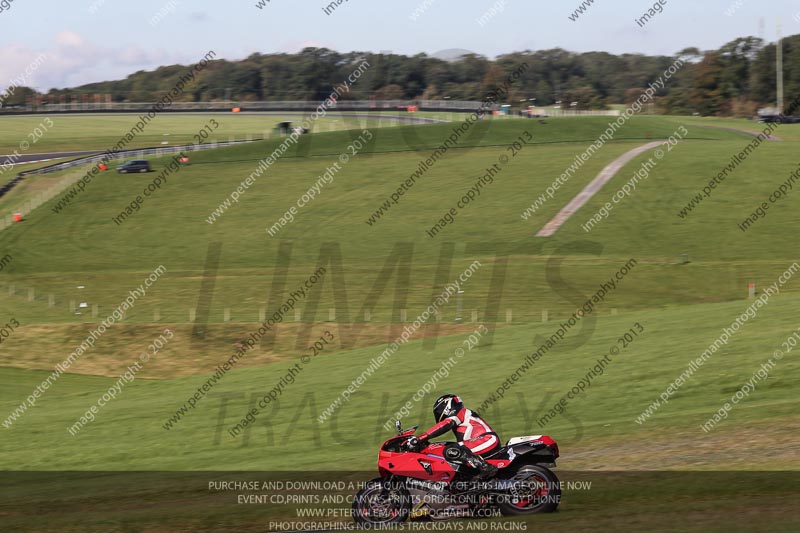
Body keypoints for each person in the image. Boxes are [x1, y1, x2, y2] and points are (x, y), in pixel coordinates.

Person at [406, 394, 500, 480]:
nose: (438, 415)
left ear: (447, 407)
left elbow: (447, 424)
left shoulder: (461, 412)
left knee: (451, 449)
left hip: (487, 439)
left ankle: (486, 468)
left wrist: (420, 438)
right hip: (481, 442)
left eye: (438, 412)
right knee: (449, 448)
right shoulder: (461, 420)